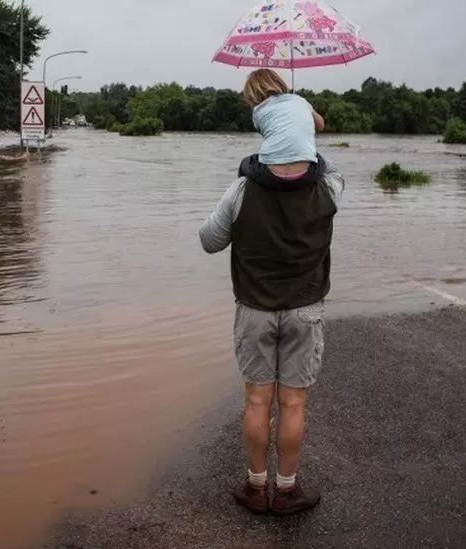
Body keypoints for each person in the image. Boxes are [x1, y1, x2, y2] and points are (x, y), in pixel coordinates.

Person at [198, 69, 344, 517]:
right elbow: (329, 167)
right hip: (305, 310)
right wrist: (309, 128)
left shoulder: (242, 189)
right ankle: (287, 491)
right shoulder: (328, 189)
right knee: (293, 402)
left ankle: (255, 488)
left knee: (257, 401)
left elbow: (209, 240)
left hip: (255, 311)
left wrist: (246, 173)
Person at [238, 68, 326, 181]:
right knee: (322, 160)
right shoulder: (300, 100)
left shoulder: (258, 111)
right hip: (306, 175)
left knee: (245, 163)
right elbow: (320, 125)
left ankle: (242, 193)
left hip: (270, 175)